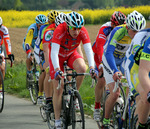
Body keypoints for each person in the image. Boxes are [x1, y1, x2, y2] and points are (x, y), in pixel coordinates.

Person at [49, 11, 97, 129]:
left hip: (70, 54)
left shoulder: (82, 31)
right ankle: (57, 120)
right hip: (57, 58)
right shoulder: (59, 30)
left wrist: (91, 67)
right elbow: (54, 52)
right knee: (59, 88)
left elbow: (88, 50)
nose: (77, 32)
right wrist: (57, 69)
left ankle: (75, 96)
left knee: (82, 67)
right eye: (73, 28)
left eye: (79, 28)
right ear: (68, 26)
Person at [101, 10, 146, 129]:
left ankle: (127, 116)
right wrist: (115, 70)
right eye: (134, 31)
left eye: (139, 31)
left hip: (124, 59)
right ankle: (105, 120)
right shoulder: (119, 31)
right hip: (109, 59)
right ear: (128, 27)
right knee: (115, 93)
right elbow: (109, 52)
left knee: (132, 92)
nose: (136, 34)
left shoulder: (142, 37)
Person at [92, 11, 126, 121]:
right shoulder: (105, 29)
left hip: (116, 56)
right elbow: (100, 48)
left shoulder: (125, 30)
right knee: (101, 80)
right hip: (100, 54)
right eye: (117, 26)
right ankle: (97, 107)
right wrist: (100, 66)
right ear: (112, 24)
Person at [33, 10, 59, 104]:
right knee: (45, 72)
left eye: (55, 21)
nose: (53, 23)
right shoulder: (44, 29)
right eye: (52, 21)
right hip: (41, 50)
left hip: (53, 50)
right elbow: (41, 46)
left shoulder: (59, 28)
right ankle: (40, 94)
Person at [23, 14, 47, 81]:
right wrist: (29, 52)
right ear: (36, 24)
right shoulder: (32, 29)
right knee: (30, 56)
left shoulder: (46, 29)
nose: (41, 27)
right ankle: (29, 72)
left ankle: (38, 71)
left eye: (43, 25)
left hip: (38, 45)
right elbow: (27, 42)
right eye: (40, 25)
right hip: (29, 44)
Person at [0, 17, 14, 92]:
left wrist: (9, 54)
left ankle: (0, 87)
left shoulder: (4, 29)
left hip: (0, 48)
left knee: (2, 68)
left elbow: (7, 42)